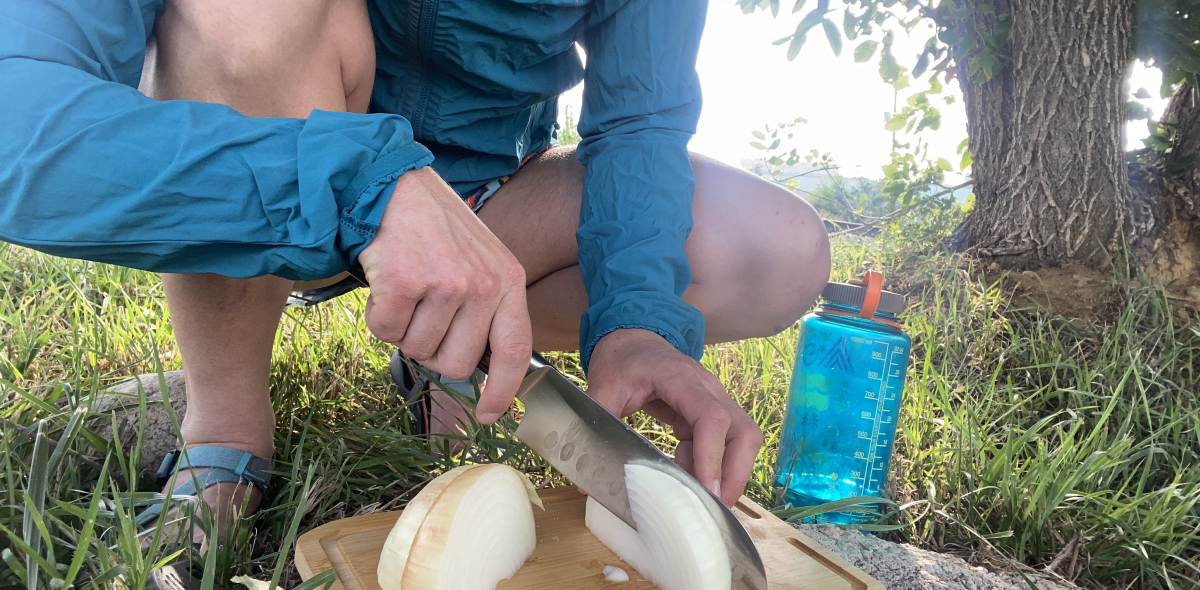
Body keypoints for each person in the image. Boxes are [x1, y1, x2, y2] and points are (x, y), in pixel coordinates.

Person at [0, 0, 830, 546]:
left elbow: (643, 121)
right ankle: (224, 431)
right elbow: (17, 125)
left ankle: (450, 351)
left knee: (772, 248)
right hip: (282, 151)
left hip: (495, 200)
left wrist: (637, 315)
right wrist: (359, 180)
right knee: (242, 17)